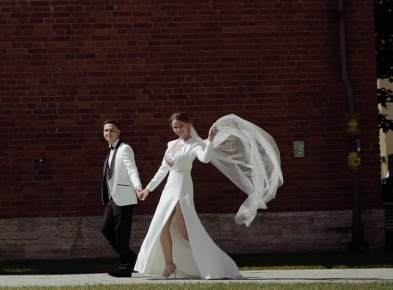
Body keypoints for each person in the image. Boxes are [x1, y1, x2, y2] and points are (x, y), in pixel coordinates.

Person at [134, 113, 282, 280]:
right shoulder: (171, 144)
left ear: (188, 124)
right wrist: (148, 189)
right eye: (175, 127)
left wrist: (210, 141)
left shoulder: (196, 144)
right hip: (169, 189)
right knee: (161, 227)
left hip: (182, 188)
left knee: (186, 232)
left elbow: (205, 159)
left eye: (181, 126)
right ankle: (169, 266)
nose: (178, 129)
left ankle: (213, 263)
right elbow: (163, 169)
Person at [100, 119, 142, 278]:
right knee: (106, 229)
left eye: (111, 130)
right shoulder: (110, 150)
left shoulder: (125, 149)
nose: (108, 133)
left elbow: (132, 169)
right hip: (112, 198)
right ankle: (130, 257)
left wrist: (138, 187)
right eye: (106, 130)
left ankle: (125, 267)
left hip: (124, 197)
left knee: (121, 233)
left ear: (118, 132)